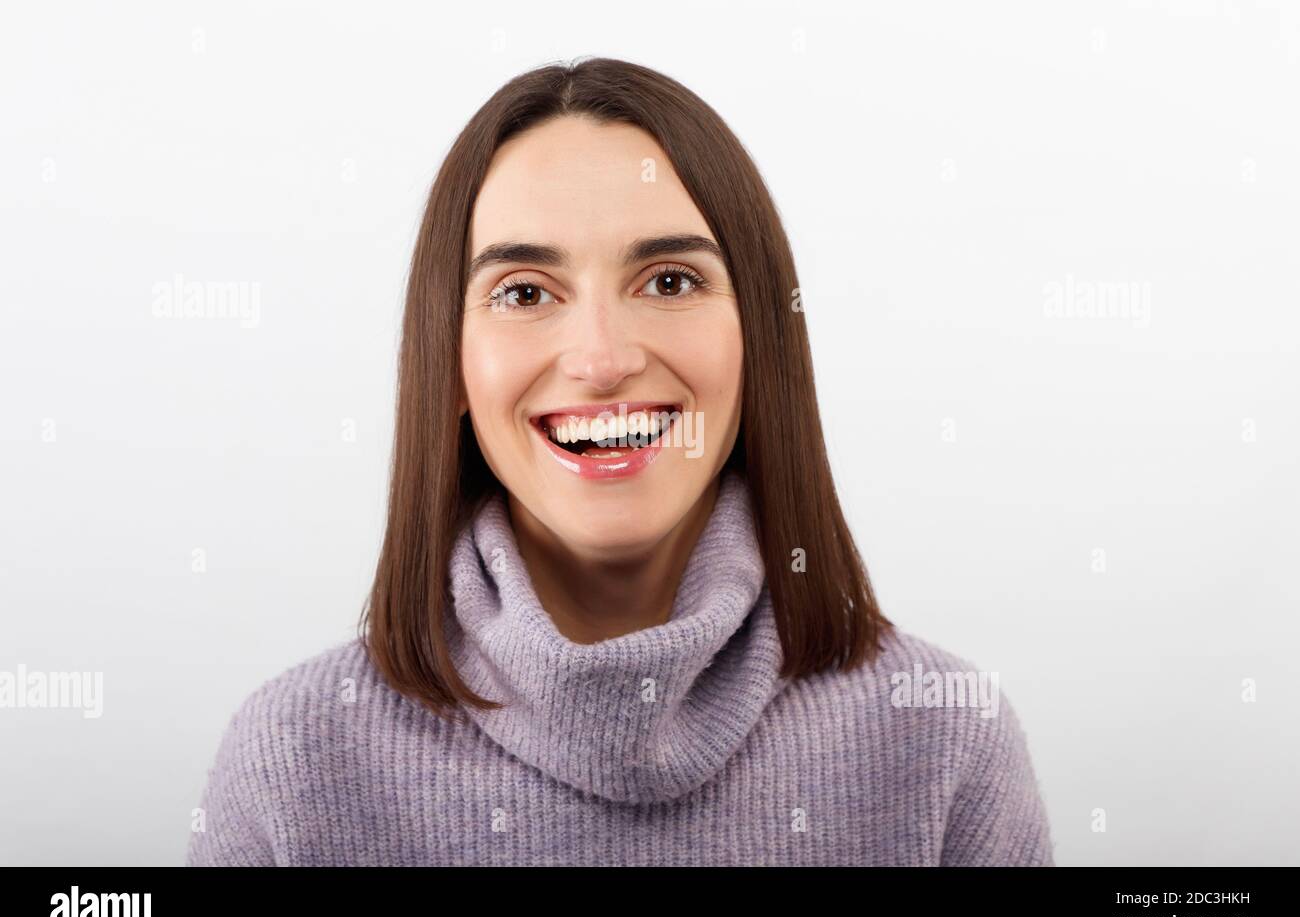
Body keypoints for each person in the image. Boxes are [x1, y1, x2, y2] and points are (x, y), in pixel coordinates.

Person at [187, 56, 1054, 866]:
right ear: (449, 365)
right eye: (525, 293)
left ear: (761, 342)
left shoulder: (946, 740)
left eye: (670, 282)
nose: (601, 360)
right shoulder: (291, 759)